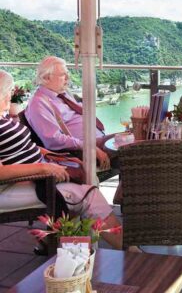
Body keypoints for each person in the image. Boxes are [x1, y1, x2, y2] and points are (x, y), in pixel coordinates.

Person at [0, 70, 122, 249]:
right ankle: (125, 250)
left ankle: (67, 242)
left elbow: (25, 145)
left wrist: (51, 156)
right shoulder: (34, 104)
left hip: (35, 175)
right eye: (9, 91)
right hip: (13, 187)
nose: (11, 94)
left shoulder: (4, 117)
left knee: (83, 187)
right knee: (88, 195)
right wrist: (44, 169)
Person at [25, 56, 110, 170]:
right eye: (63, 74)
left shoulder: (63, 94)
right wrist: (89, 147)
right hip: (82, 150)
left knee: (135, 143)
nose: (68, 78)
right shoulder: (38, 104)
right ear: (46, 77)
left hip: (96, 140)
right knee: (134, 150)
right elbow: (53, 140)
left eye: (67, 73)